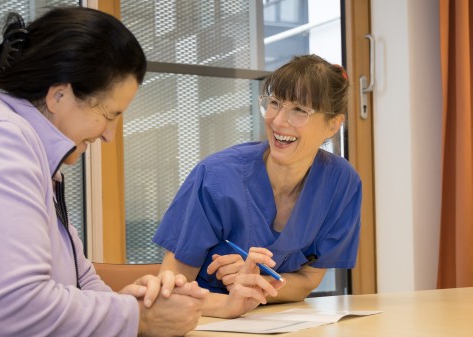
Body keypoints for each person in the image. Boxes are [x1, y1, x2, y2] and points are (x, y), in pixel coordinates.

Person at [0, 7, 207, 337]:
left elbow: (79, 280)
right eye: (109, 114)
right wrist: (137, 318)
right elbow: (13, 309)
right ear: (59, 95)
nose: (109, 135)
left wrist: (136, 302)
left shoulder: (30, 153)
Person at [153, 54, 362, 318]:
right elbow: (170, 293)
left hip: (270, 320)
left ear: (333, 124)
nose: (277, 121)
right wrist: (230, 303)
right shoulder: (216, 177)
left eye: (299, 110)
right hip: (202, 321)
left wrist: (253, 285)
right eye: (274, 103)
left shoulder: (341, 183)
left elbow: (308, 281)